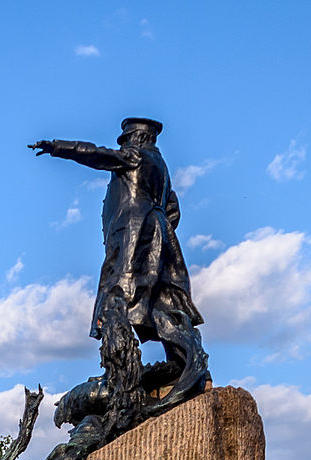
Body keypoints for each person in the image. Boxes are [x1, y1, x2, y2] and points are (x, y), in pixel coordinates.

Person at [30, 117, 208, 403]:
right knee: (164, 299)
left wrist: (56, 147)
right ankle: (182, 365)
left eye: (125, 141)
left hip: (132, 236)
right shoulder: (161, 168)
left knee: (117, 300)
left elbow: (95, 154)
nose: (122, 146)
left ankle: (119, 374)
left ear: (135, 138)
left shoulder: (137, 156)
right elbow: (173, 209)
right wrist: (159, 228)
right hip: (157, 235)